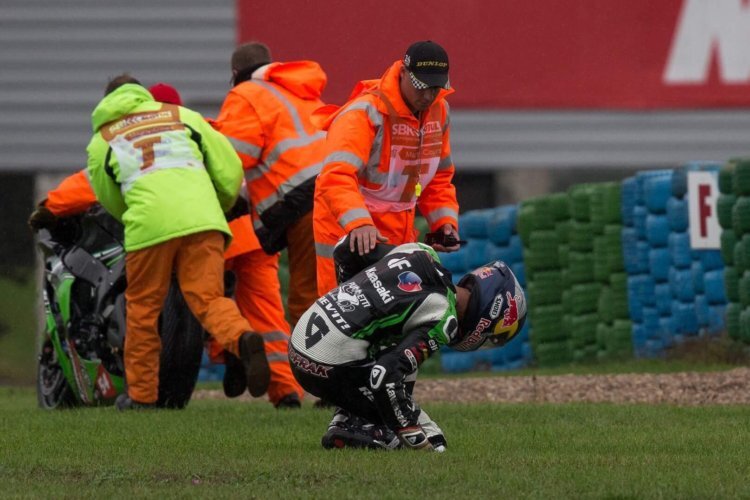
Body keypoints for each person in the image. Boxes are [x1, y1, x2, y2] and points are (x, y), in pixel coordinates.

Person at [85, 74, 270, 410]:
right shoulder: (183, 116)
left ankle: (142, 397)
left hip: (148, 227)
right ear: (142, 95)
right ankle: (242, 338)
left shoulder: (102, 140)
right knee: (210, 300)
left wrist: (134, 214)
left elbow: (107, 195)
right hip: (204, 219)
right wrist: (223, 203)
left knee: (143, 310)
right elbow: (228, 167)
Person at [289, 235, 527, 450]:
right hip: (327, 367)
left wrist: (351, 308)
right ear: (488, 317)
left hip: (298, 347)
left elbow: (344, 248)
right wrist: (409, 431)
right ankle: (370, 429)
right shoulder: (445, 318)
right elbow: (385, 373)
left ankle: (351, 416)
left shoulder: (419, 250)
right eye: (490, 337)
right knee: (436, 441)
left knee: (389, 339)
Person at [312, 40, 462, 296]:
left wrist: (444, 224)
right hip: (348, 228)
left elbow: (438, 178)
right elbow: (336, 176)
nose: (427, 96)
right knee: (345, 313)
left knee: (395, 312)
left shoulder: (440, 112)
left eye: (435, 88)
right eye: (421, 87)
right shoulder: (364, 113)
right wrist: (359, 224)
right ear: (403, 73)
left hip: (398, 228)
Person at [212, 42, 325, 327]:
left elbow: (231, 159)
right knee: (334, 286)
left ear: (236, 73)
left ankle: (313, 364)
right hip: (339, 192)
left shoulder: (246, 95)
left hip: (304, 201)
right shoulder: (297, 89)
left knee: (306, 295)